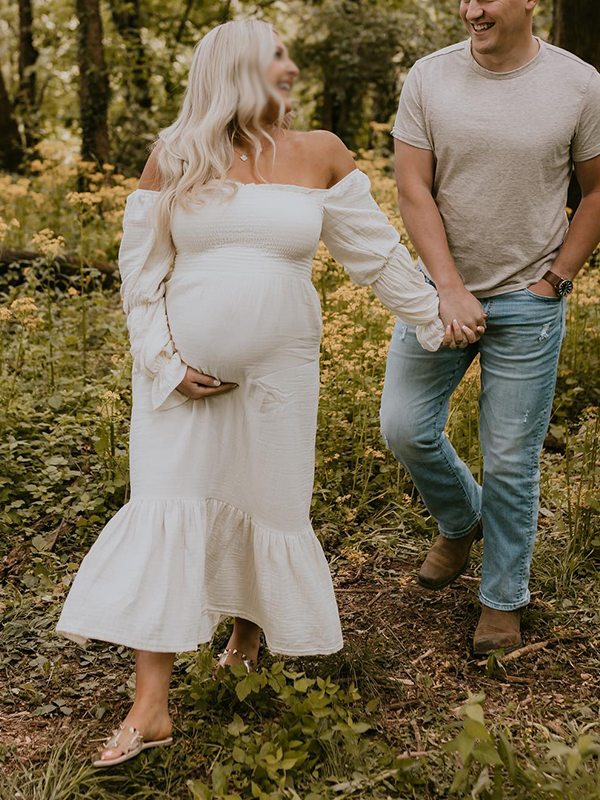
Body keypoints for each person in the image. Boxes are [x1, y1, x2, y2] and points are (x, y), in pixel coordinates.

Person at [55, 19, 462, 766]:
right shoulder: (175, 157)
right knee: (170, 509)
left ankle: (247, 630)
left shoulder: (320, 151)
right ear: (238, 68)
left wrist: (441, 316)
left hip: (281, 375)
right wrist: (166, 366)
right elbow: (139, 278)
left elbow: (374, 254)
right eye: (278, 54)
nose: (294, 66)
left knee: (264, 501)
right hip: (181, 385)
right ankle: (150, 709)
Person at [380, 0, 600, 656]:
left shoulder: (579, 84)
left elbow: (595, 191)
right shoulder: (429, 77)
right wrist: (446, 286)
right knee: (404, 426)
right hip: (439, 290)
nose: (472, 8)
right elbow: (413, 188)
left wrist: (555, 280)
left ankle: (503, 598)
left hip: (528, 300)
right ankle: (462, 518)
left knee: (510, 458)